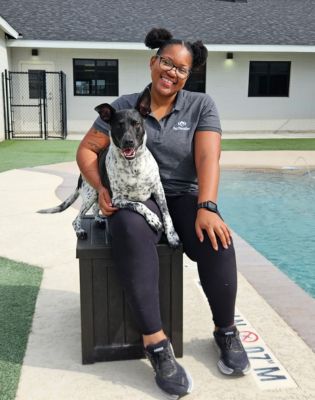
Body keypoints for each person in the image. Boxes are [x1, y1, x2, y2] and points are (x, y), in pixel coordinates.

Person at [76, 27, 250, 399]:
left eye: (181, 69)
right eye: (166, 62)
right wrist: (102, 188)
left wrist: (207, 206)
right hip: (138, 196)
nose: (172, 72)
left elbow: (207, 156)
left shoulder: (201, 105)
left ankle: (227, 332)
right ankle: (156, 344)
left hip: (184, 196)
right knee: (126, 228)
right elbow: (87, 151)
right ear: (153, 62)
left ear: (189, 75)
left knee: (218, 240)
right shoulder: (124, 106)